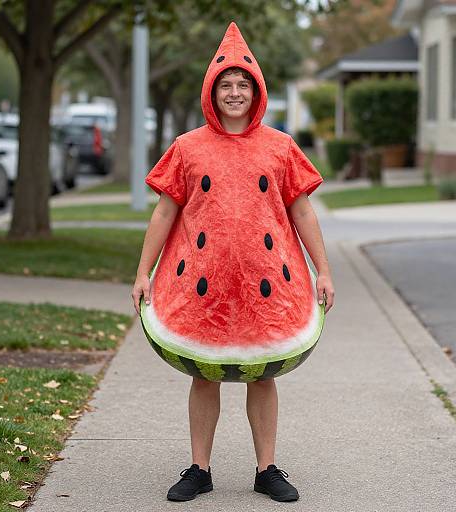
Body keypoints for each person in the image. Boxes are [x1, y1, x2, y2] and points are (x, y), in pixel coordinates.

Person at [132, 22, 334, 503]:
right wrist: (143, 271)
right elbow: (165, 211)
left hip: (271, 289)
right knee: (204, 375)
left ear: (257, 90)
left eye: (245, 84)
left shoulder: (282, 147)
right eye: (227, 84)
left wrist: (322, 268)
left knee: (262, 375)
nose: (236, 91)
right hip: (201, 288)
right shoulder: (186, 147)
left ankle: (267, 469)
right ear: (212, 92)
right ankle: (199, 469)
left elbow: (302, 210)